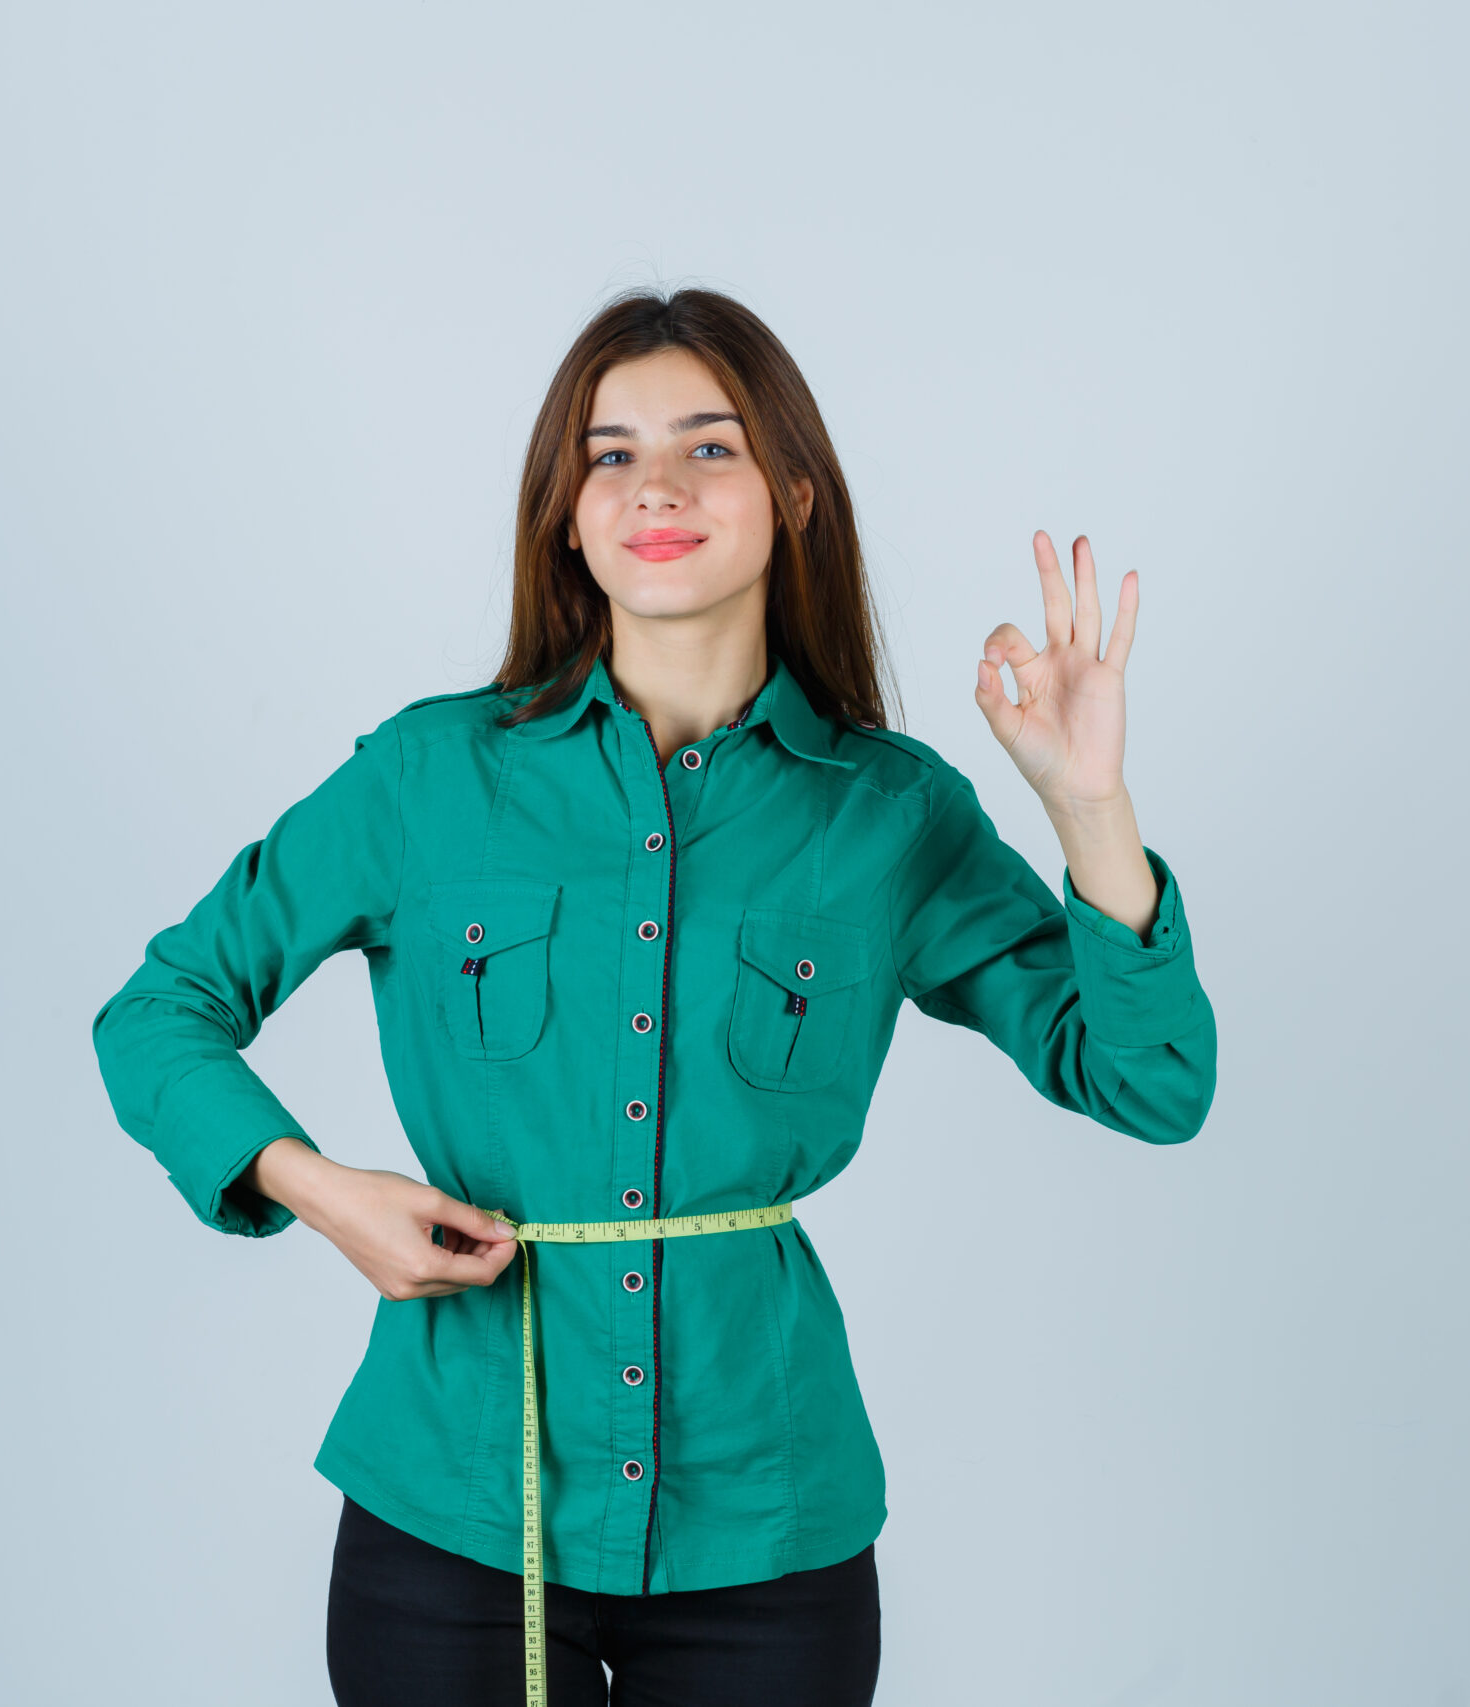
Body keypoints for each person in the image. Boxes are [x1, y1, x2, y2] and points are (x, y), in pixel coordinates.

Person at [90, 287, 1217, 1707]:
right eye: (609, 455)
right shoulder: (431, 779)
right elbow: (159, 1008)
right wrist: (317, 1189)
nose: (657, 486)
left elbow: (1151, 1082)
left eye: (711, 446)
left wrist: (1090, 808)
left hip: (768, 1532)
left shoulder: (889, 815)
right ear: (567, 513)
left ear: (795, 493)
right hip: (450, 1514)